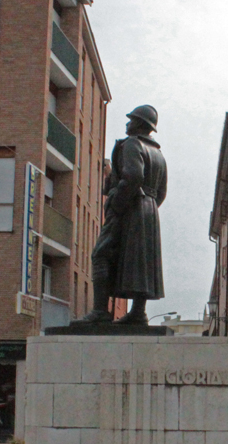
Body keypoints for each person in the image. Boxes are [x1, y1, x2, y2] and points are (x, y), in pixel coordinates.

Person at [73, 104, 168, 325]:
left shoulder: (132, 145)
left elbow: (133, 176)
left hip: (129, 206)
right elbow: (161, 192)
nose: (127, 123)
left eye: (131, 119)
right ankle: (138, 312)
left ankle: (99, 311)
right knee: (141, 260)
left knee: (101, 253)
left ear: (139, 124)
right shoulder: (159, 154)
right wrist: (148, 207)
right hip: (149, 209)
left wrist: (116, 203)